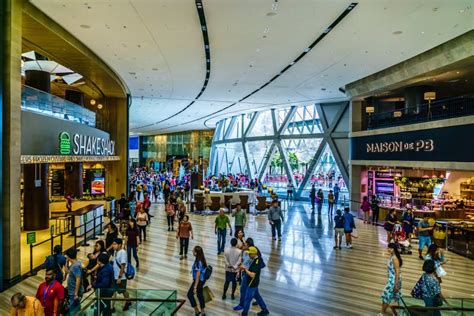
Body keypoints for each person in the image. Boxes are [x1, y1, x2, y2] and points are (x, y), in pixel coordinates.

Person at [239, 246, 270, 316]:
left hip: (252, 284)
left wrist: (245, 269)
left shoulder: (256, 262)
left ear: (254, 254)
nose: (249, 255)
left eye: (250, 254)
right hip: (254, 283)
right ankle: (264, 309)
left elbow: (252, 275)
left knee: (247, 300)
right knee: (257, 297)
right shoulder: (255, 259)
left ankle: (244, 314)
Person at [379, 243, 403, 316]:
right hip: (393, 279)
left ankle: (382, 312)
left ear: (394, 249)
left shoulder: (394, 258)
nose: (388, 249)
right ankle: (399, 312)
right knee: (397, 296)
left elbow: (397, 271)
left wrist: (395, 284)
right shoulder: (392, 256)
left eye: (390, 248)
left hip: (394, 280)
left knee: (386, 295)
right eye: (388, 248)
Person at [187, 246, 208, 316]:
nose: (192, 251)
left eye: (193, 251)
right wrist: (193, 271)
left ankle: (196, 310)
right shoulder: (201, 258)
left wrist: (195, 287)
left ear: (196, 253)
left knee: (190, 295)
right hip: (202, 281)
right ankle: (203, 311)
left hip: (198, 281)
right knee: (199, 295)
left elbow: (198, 275)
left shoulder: (198, 262)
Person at [111, 238, 131, 312]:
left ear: (119, 245)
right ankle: (112, 307)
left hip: (121, 277)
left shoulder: (122, 252)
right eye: (113, 244)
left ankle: (128, 302)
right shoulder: (115, 251)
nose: (113, 245)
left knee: (123, 291)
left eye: (115, 244)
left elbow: (122, 265)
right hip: (115, 276)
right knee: (114, 291)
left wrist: (119, 277)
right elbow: (113, 262)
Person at [64, 248, 84, 314]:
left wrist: (76, 293)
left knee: (73, 311)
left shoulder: (76, 266)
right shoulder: (74, 264)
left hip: (74, 293)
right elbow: (66, 271)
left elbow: (78, 279)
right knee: (76, 308)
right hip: (72, 291)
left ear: (68, 256)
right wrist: (66, 262)